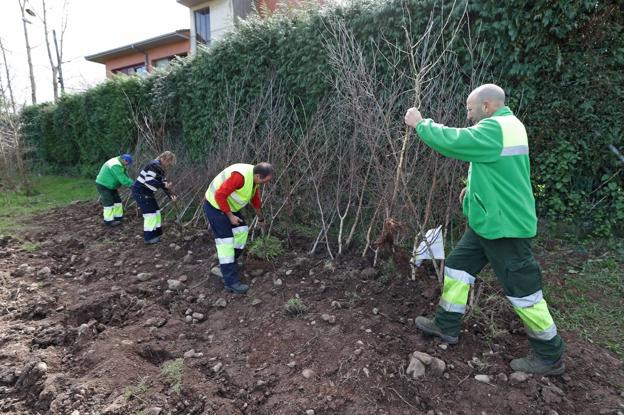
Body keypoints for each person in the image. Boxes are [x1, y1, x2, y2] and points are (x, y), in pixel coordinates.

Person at [404, 84, 565, 375]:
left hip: (505, 229)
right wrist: (472, 192)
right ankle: (446, 326)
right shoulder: (510, 126)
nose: (467, 115)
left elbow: (455, 141)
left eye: (469, 108)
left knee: (524, 292)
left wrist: (421, 124)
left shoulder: (495, 128)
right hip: (488, 224)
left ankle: (549, 355)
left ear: (487, 106)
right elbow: (497, 171)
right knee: (457, 268)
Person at [204, 162, 273, 294]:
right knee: (226, 243)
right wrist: (230, 217)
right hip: (214, 206)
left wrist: (261, 219)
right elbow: (219, 195)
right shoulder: (240, 177)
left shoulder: (254, 179)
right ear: (258, 176)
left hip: (227, 205)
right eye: (266, 180)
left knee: (241, 231)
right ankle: (231, 282)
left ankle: (230, 262)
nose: (267, 183)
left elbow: (255, 200)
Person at [131, 151, 178, 245]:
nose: (169, 165)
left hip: (148, 192)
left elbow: (164, 184)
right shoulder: (154, 166)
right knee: (150, 214)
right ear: (164, 159)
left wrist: (171, 196)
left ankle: (156, 235)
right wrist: (163, 184)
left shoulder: (160, 168)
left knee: (156, 212)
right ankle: (149, 238)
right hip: (141, 192)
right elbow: (149, 181)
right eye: (169, 162)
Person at [95, 154, 134, 227]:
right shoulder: (115, 165)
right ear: (125, 160)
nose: (128, 165)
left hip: (111, 185)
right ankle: (108, 221)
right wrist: (132, 186)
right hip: (103, 185)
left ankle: (118, 218)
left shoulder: (120, 162)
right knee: (108, 203)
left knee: (117, 201)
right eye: (128, 163)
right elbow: (123, 179)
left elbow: (125, 175)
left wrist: (132, 183)